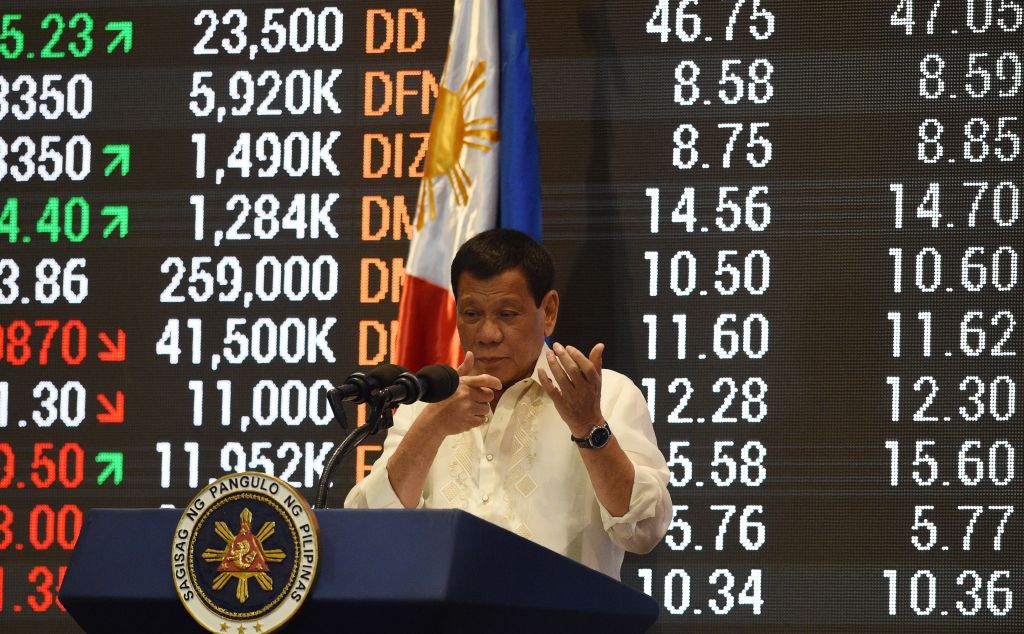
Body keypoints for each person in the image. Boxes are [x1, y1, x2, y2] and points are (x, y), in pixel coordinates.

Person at [345, 229, 671, 579]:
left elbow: (644, 530)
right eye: (472, 314)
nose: (488, 334)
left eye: (507, 314)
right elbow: (370, 532)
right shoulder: (427, 404)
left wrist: (589, 426)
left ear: (548, 311)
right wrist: (430, 428)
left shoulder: (608, 396)